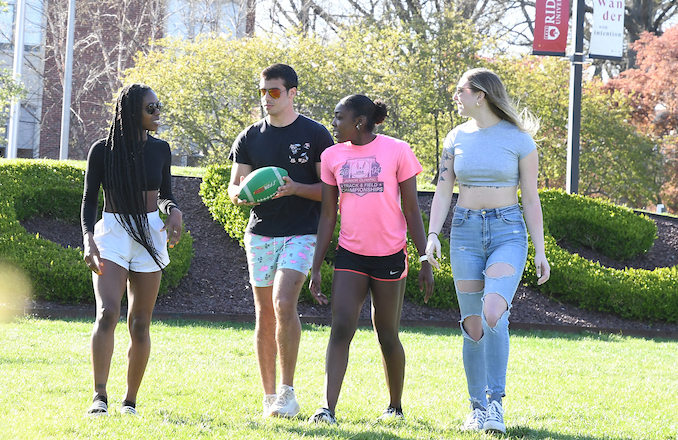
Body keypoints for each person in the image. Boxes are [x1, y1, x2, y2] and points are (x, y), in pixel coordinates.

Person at [424, 68, 551, 434]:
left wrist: (539, 249)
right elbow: (444, 190)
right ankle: (476, 407)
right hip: (464, 233)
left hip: (507, 232)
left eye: (460, 90)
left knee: (493, 313)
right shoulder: (455, 137)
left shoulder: (519, 140)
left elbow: (530, 197)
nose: (455, 96)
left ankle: (496, 404)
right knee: (472, 323)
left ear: (480, 94)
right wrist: (433, 234)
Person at [308, 95, 434, 426]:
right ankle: (326, 409)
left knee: (387, 334)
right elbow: (326, 216)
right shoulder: (331, 156)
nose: (333, 124)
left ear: (359, 122)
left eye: (338, 118)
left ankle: (395, 406)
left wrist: (424, 259)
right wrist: (316, 266)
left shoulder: (397, 151)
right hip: (351, 255)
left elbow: (411, 208)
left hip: (390, 255)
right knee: (341, 326)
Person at [228, 63, 334, 418]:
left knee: (283, 301)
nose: (266, 99)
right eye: (262, 91)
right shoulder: (250, 137)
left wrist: (295, 188)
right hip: (260, 234)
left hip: (303, 231)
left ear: (291, 93)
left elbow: (330, 190)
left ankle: (288, 394)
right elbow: (235, 184)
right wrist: (240, 195)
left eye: (274, 92)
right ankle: (268, 395)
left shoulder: (315, 134)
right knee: (264, 314)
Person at [81, 84, 183, 416]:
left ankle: (130, 402)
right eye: (151, 108)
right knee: (107, 313)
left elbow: (164, 195)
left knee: (139, 323)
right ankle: (99, 396)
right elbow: (89, 202)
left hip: (149, 235)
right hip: (112, 233)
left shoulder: (161, 150)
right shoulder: (102, 150)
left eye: (158, 106)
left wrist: (173, 210)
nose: (158, 113)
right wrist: (87, 238)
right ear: (131, 113)